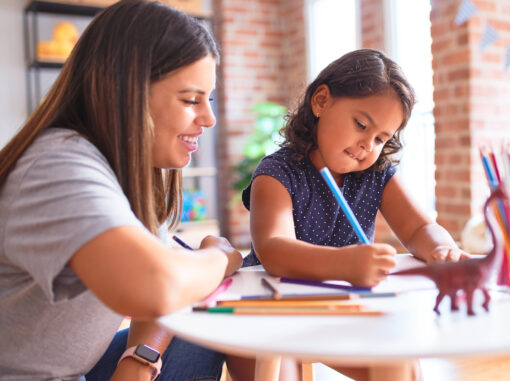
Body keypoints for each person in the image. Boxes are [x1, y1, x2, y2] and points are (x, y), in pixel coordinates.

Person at [0, 1, 252, 380]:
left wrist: (138, 361)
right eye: (190, 100)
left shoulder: (127, 174)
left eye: (208, 99)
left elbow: (165, 276)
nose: (209, 118)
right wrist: (219, 258)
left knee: (209, 314)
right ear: (126, 92)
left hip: (77, 370)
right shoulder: (58, 166)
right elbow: (155, 286)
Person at [242, 49, 467, 379]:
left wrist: (440, 248)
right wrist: (345, 264)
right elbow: (274, 249)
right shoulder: (276, 173)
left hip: (342, 308)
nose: (368, 145)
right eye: (361, 124)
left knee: (401, 362)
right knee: (280, 374)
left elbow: (419, 228)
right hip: (270, 309)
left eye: (380, 138)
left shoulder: (377, 174)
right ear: (321, 101)